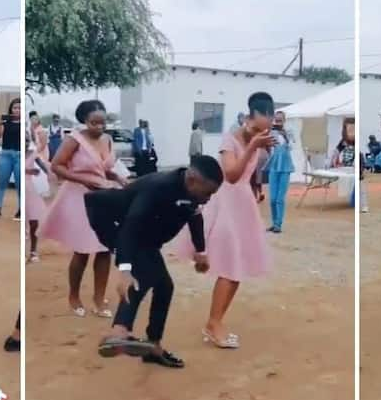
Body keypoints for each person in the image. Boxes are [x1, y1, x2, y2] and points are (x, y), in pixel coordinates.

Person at [90, 156, 224, 368]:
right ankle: (119, 331)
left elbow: (194, 217)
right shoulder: (158, 187)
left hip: (145, 235)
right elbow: (131, 225)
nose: (208, 198)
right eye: (207, 193)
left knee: (164, 287)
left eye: (212, 194)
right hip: (115, 224)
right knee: (142, 276)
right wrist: (124, 269)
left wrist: (201, 251)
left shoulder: (193, 193)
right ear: (192, 180)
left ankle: (153, 346)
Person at [175, 92, 276, 349]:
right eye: (267, 115)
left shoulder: (259, 139)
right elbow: (231, 175)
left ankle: (216, 322)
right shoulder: (229, 139)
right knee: (230, 266)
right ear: (254, 115)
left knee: (238, 268)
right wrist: (254, 146)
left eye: (273, 115)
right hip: (227, 203)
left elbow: (251, 171)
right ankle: (213, 323)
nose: (271, 120)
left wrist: (257, 186)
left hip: (244, 204)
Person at [38, 100, 125, 318]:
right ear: (84, 121)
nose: (99, 127)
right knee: (83, 250)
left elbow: (105, 169)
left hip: (104, 196)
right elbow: (57, 166)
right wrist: (83, 180)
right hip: (79, 197)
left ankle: (98, 298)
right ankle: (74, 296)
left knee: (105, 249)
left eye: (103, 123)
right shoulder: (73, 139)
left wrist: (120, 180)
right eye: (94, 123)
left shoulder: (107, 140)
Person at [0, 98, 22, 221]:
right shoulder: (6, 123)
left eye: (19, 108)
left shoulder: (24, 123)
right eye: (15, 108)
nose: (17, 110)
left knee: (19, 184)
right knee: (2, 182)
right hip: (6, 154)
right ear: (11, 109)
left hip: (19, 155)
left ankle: (20, 210)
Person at [265, 111, 294, 233]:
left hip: (285, 166)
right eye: (276, 120)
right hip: (274, 165)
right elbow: (267, 145)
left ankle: (278, 224)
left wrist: (285, 136)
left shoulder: (289, 131)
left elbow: (292, 146)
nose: (278, 122)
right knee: (272, 198)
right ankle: (274, 222)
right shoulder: (271, 131)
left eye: (280, 120)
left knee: (279, 198)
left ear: (284, 120)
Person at [24, 128, 47, 263]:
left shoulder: (33, 154)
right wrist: (27, 170)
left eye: (27, 139)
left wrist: (50, 173)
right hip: (21, 190)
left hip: (31, 190)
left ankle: (33, 250)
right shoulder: (17, 154)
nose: (25, 142)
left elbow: (43, 168)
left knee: (34, 222)